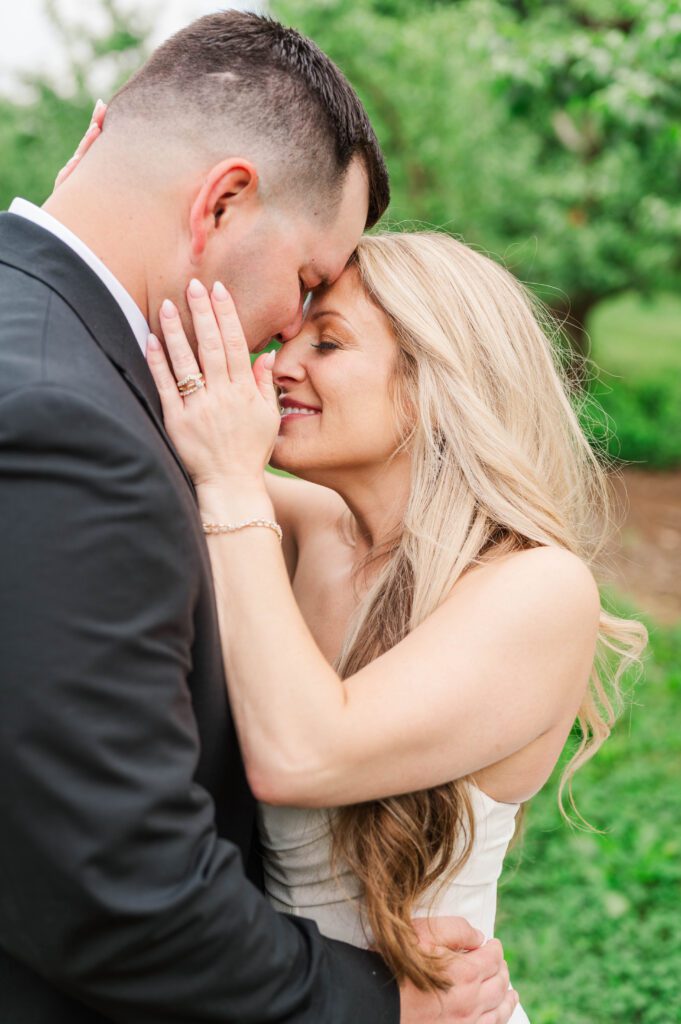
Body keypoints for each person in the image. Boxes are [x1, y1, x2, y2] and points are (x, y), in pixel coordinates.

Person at [0, 11, 516, 1024]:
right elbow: (116, 887)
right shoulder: (73, 422)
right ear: (225, 201)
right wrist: (380, 1004)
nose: (283, 339)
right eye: (310, 282)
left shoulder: (54, 356)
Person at [143, 232, 648, 1022]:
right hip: (295, 1001)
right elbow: (136, 457)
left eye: (328, 342)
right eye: (285, 340)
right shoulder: (313, 532)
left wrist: (235, 483)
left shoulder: (539, 589)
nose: (277, 367)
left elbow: (301, 756)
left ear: (430, 384)